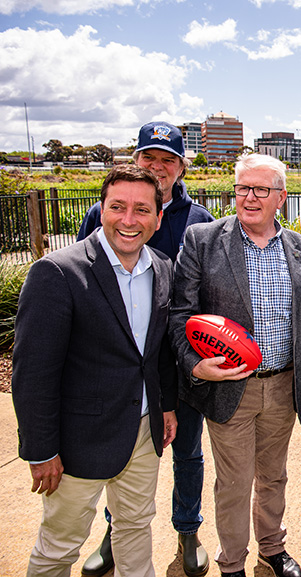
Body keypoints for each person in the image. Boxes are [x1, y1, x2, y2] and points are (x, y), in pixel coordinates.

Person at [169, 154, 301, 577]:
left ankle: (272, 548)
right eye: (242, 188)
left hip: (283, 385)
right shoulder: (203, 240)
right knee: (233, 483)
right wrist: (196, 366)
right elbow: (180, 314)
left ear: (281, 197)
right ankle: (232, 564)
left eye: (261, 189)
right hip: (231, 384)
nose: (249, 197)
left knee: (273, 477)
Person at [12, 165, 177, 577]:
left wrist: (167, 406)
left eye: (141, 210)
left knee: (136, 529)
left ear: (158, 219)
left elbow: (156, 355)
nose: (128, 220)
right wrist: (41, 449)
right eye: (117, 206)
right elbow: (33, 372)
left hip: (142, 432)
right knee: (59, 547)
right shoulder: (57, 272)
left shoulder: (161, 268)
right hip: (76, 441)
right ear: (101, 209)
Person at [78, 121, 214, 577]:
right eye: (148, 158)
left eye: (167, 160)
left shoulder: (198, 221)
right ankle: (116, 533)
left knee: (188, 452)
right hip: (126, 361)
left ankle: (188, 528)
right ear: (135, 159)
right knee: (123, 449)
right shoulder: (104, 214)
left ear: (181, 166)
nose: (157, 167)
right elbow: (86, 281)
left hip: (179, 358)